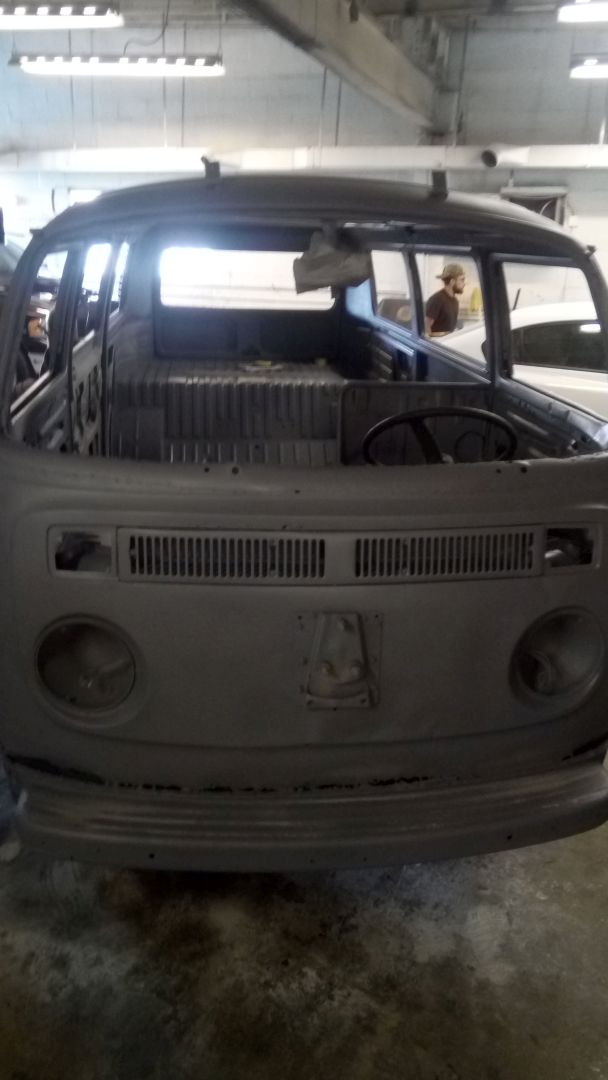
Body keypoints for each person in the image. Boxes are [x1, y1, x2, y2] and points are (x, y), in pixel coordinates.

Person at [425, 263, 466, 336]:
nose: (464, 283)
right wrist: (441, 335)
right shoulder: (437, 300)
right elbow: (425, 329)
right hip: (438, 342)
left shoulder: (455, 301)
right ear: (452, 282)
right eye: (462, 280)